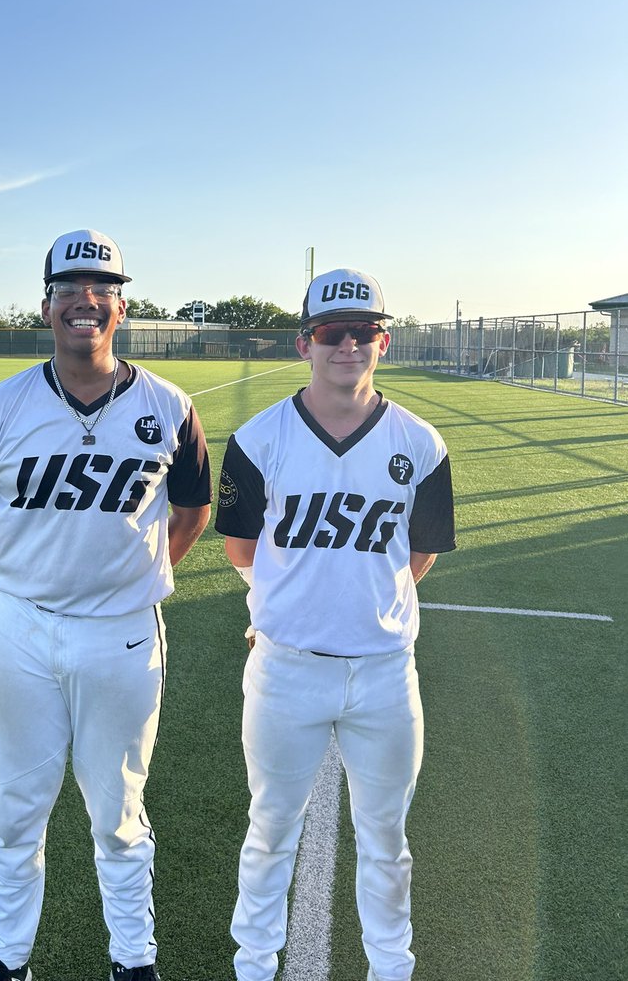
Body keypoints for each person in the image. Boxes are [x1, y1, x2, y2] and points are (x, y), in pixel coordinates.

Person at [0, 229, 212, 981]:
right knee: (14, 810)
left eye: (99, 290)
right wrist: (13, 582)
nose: (83, 303)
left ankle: (133, 960)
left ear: (120, 307)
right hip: (21, 634)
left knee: (118, 814)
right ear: (46, 306)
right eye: (67, 290)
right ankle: (7, 958)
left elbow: (191, 509)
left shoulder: (168, 404)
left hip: (124, 635)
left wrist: (135, 577)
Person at [215, 267, 456, 981]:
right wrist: (290, 607)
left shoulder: (422, 443)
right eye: (331, 333)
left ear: (383, 341)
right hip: (286, 670)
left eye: (363, 332)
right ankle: (254, 966)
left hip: (383, 676)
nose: (347, 346)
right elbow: (241, 547)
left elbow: (417, 554)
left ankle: (391, 969)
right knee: (269, 833)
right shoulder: (261, 439)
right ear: (304, 343)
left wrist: (358, 603)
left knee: (386, 839)